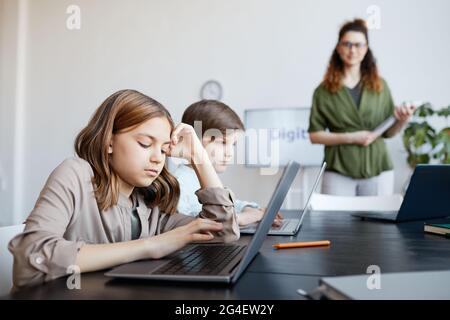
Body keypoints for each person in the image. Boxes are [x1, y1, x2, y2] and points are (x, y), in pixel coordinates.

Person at [8, 90, 239, 287]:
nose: (158, 159)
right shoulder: (75, 174)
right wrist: (151, 246)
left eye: (163, 149)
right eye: (145, 144)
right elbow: (31, 258)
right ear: (109, 141)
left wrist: (199, 156)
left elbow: (223, 233)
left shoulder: (149, 202)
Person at [308, 19, 414, 196]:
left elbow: (388, 132)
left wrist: (402, 120)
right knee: (334, 224)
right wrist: (351, 137)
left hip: (378, 169)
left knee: (378, 223)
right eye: (347, 44)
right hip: (338, 171)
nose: (352, 50)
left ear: (366, 48)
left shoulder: (381, 86)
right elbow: (314, 135)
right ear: (338, 47)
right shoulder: (323, 91)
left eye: (358, 45)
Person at [171, 100, 282, 227]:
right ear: (196, 140)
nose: (230, 153)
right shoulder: (180, 182)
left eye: (233, 144)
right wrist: (246, 217)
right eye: (223, 142)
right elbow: (200, 220)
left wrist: (251, 210)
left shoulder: (201, 178)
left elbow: (231, 204)